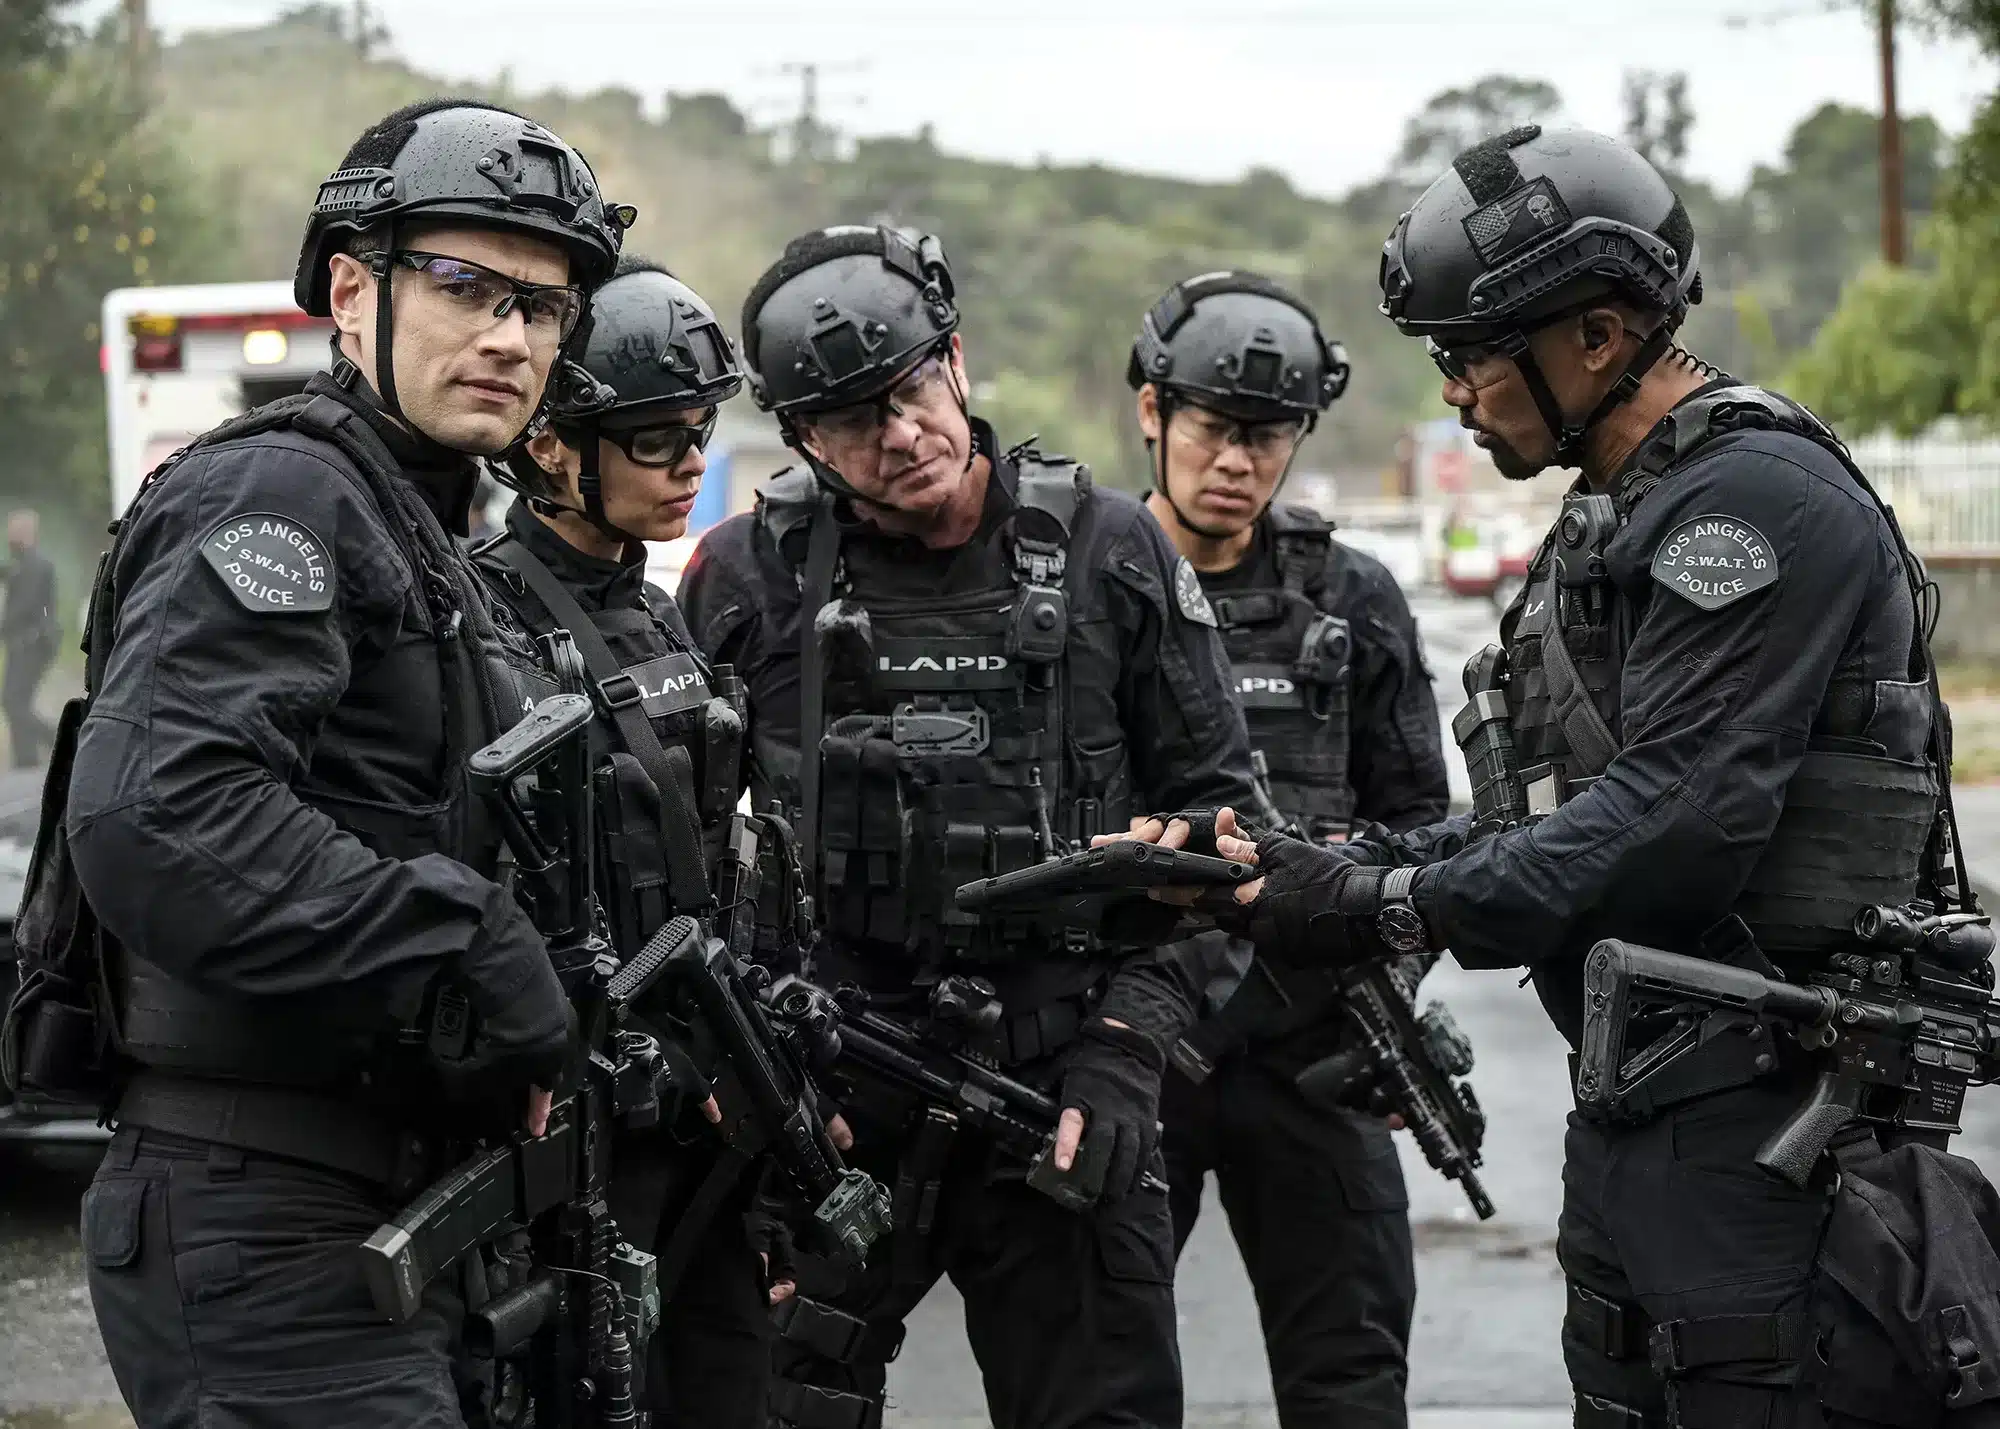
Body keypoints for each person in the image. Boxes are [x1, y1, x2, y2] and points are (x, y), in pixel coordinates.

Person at [1142, 125, 1993, 1427]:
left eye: (1470, 357)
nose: (1453, 394)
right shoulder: (1619, 512)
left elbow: (1674, 825)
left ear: (1594, 338)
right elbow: (1540, 818)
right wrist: (1311, 868)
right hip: (1650, 1112)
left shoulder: (1749, 505)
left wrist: (1374, 906)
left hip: (1774, 1127)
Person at [48, 99, 629, 1428]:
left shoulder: (424, 527)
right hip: (264, 1208)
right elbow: (160, 812)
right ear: (355, 291)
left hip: (387, 1198)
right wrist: (463, 943)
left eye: (544, 307)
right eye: (465, 285)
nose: (510, 336)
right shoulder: (284, 494)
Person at [677, 223, 1261, 1429]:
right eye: (850, 421)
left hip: (1060, 1080)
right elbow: (674, 858)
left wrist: (1126, 1048)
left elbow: (1227, 835)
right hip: (834, 1090)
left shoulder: (1110, 550)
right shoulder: (743, 576)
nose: (898, 437)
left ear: (954, 359)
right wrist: (751, 1082)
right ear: (800, 440)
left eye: (908, 393)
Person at [1129, 272, 1449, 1429]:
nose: (1237, 462)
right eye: (1214, 428)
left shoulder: (1349, 597)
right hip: (1131, 1047)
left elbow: (1426, 829)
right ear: (1152, 411)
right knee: (1098, 1386)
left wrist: (1376, 967)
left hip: (1314, 1046)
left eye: (1267, 436)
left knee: (1349, 1384)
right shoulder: (1093, 586)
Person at [472, 255, 782, 1427]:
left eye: (700, 431)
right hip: (585, 1123)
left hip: (702, 1104)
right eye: (655, 439)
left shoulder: (655, 606)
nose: (691, 462)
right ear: (551, 446)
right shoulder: (484, 620)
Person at [2, 509, 58, 768]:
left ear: (27, 533)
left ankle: (61, 739)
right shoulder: (22, 564)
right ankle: (26, 759)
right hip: (22, 643)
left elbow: (23, 608)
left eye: (14, 532)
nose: (9, 537)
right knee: (15, 701)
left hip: (32, 643)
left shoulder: (35, 565)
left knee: (14, 701)